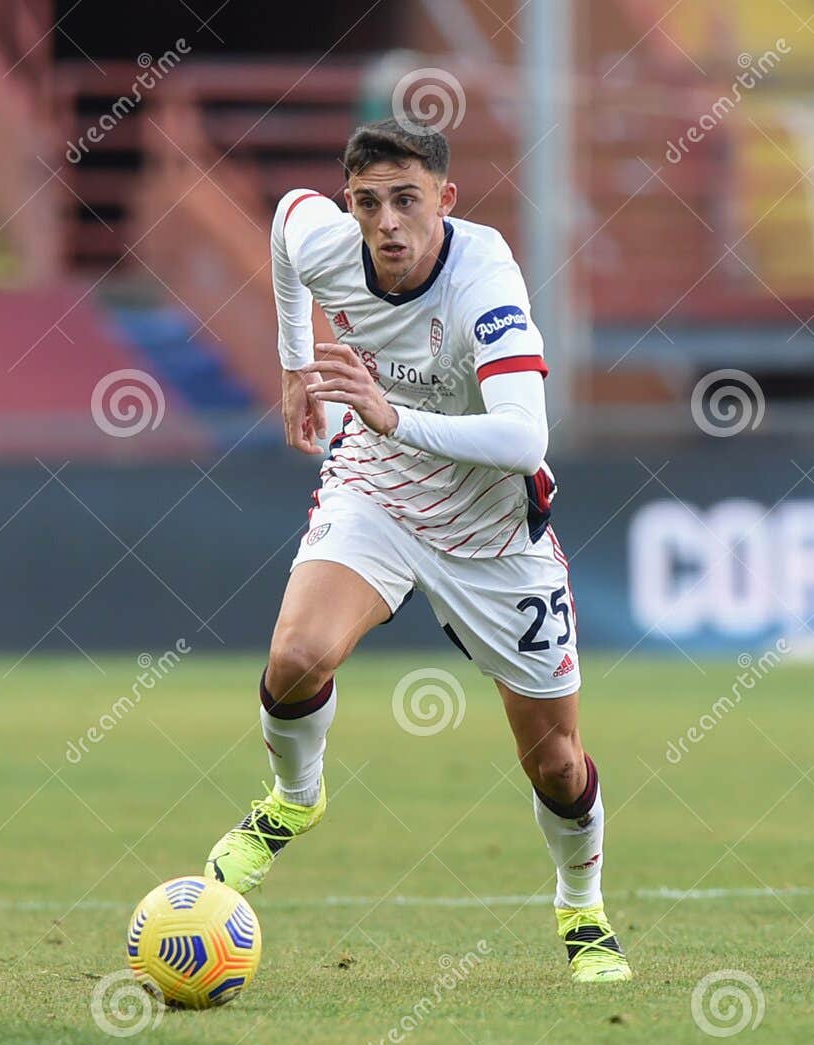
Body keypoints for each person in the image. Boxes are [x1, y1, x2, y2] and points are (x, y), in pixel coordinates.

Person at [204, 118, 630, 983]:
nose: (388, 223)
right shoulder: (330, 241)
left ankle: (581, 909)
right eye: (368, 204)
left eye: (407, 200)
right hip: (380, 488)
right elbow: (287, 224)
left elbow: (522, 436)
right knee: (297, 654)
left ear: (445, 198)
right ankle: (293, 799)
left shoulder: (486, 281)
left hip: (490, 530)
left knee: (553, 760)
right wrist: (294, 365)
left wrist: (394, 413)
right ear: (351, 204)